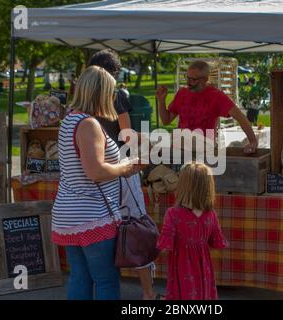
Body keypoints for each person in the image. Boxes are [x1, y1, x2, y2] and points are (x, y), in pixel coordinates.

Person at [51, 66, 139, 300]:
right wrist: (126, 168)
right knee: (106, 280)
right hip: (91, 214)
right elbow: (96, 171)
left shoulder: (70, 120)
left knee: (80, 276)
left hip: (70, 214)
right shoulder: (88, 124)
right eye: (111, 92)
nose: (113, 97)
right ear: (100, 93)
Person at [88, 49, 161, 300]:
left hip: (91, 171)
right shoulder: (116, 96)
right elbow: (127, 136)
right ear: (113, 73)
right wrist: (152, 140)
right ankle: (148, 293)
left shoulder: (81, 99)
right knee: (137, 224)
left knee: (102, 229)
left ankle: (104, 286)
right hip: (120, 165)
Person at [157, 162, 228, 300]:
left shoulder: (173, 214)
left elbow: (165, 246)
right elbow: (216, 242)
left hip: (181, 267)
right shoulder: (210, 214)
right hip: (204, 268)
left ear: (183, 185)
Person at [155, 60, 258, 154]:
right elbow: (166, 120)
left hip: (203, 151)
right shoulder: (182, 93)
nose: (189, 83)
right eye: (187, 78)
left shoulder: (216, 96)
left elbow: (241, 117)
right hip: (180, 150)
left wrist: (253, 141)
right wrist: (161, 101)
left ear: (205, 79)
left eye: (193, 80)